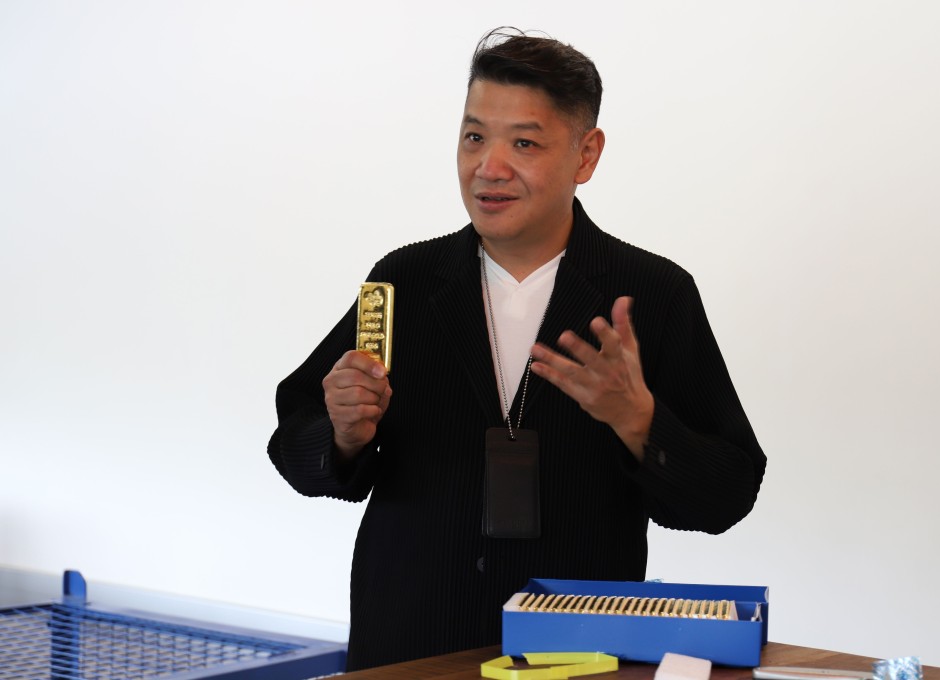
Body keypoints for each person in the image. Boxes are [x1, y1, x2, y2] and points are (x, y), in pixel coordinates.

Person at [268, 28, 766, 671]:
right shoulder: (404, 281)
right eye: (474, 136)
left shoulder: (651, 294)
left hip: (582, 650)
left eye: (524, 143)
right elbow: (295, 445)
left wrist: (639, 420)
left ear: (587, 155)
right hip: (412, 641)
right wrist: (342, 433)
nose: (488, 167)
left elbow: (728, 495)